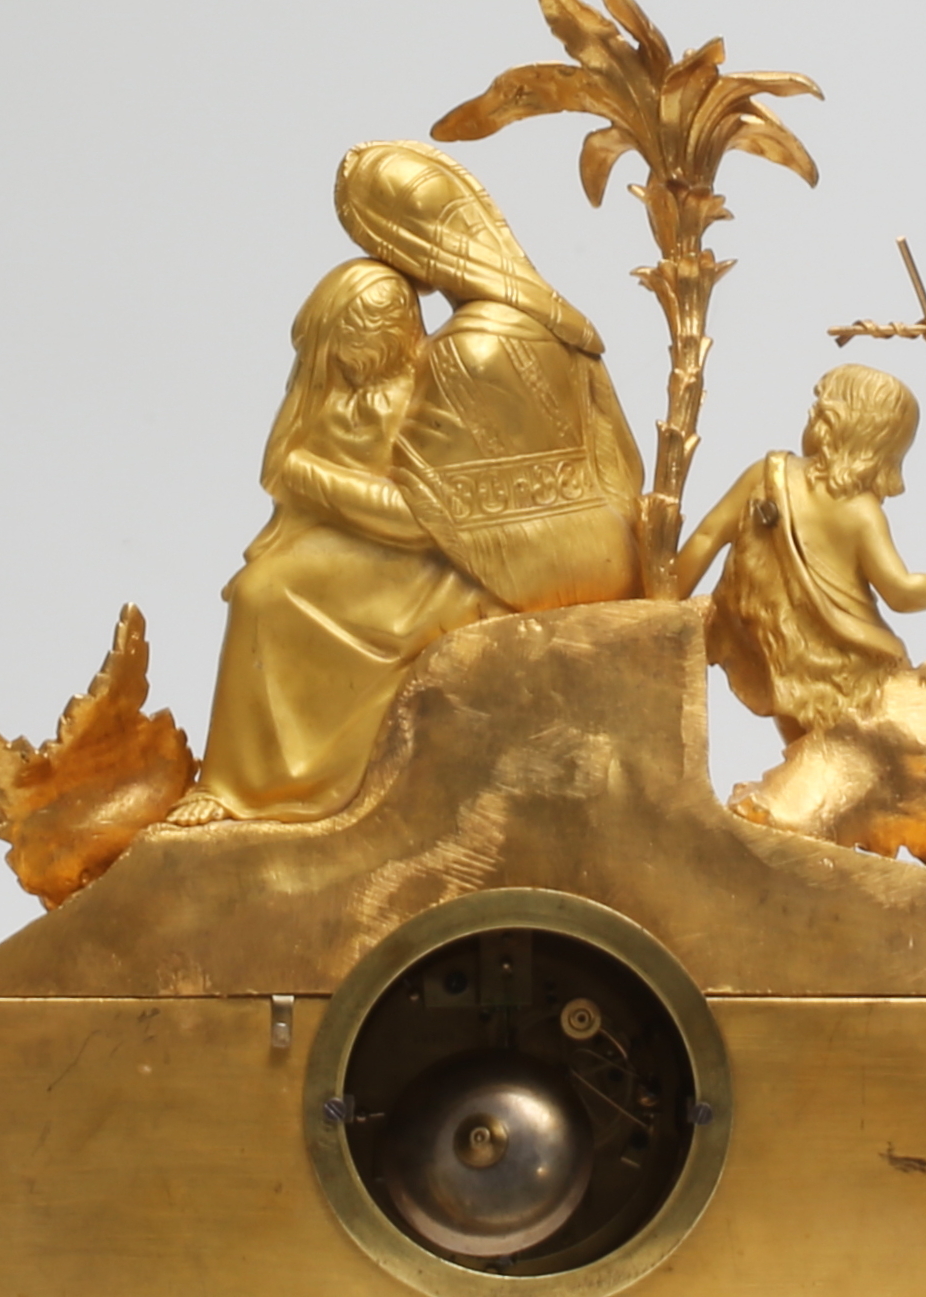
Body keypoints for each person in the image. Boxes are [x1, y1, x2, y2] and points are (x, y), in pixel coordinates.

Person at [173, 143, 643, 824]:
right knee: (275, 582)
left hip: (505, 573)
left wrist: (304, 477)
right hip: (560, 548)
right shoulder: (551, 323)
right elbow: (621, 468)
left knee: (267, 594)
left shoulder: (472, 347)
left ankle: (264, 794)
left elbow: (422, 523)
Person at [675, 363, 926, 737]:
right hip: (847, 667)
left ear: (830, 424)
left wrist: (664, 598)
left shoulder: (765, 475)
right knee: (837, 752)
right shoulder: (861, 513)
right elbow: (902, 592)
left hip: (777, 649)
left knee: (807, 748)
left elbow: (707, 536)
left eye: (816, 412)